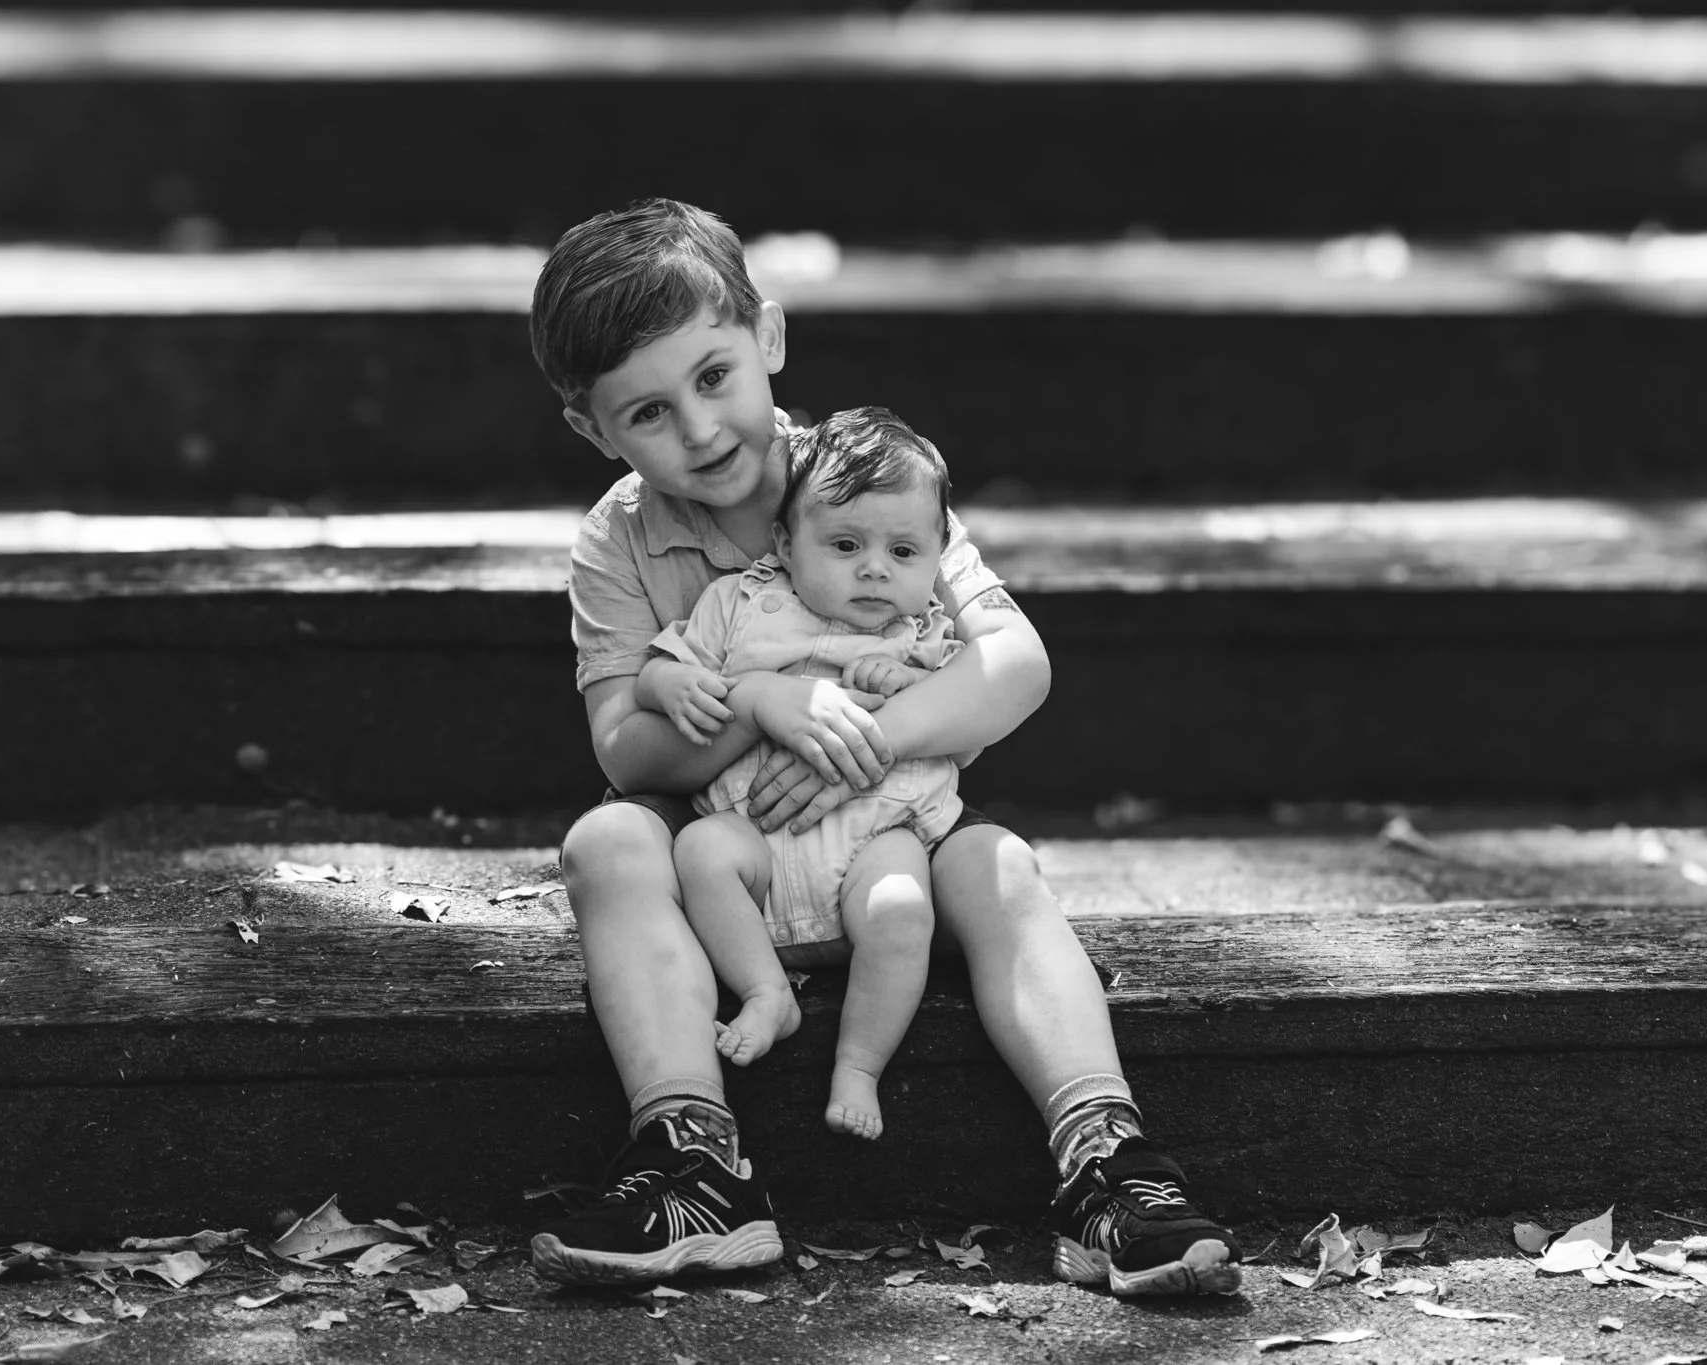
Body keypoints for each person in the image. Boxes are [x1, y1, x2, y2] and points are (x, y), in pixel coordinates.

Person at [525, 198, 1242, 1297]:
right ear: (593, 430)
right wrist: (760, 700)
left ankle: (1104, 1165)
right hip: (732, 864)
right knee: (607, 841)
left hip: (890, 853)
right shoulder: (615, 541)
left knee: (995, 863)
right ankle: (692, 1164)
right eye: (649, 413)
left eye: (713, 377)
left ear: (765, 337)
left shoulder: (864, 478)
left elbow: (1014, 665)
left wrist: (862, 742)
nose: (701, 430)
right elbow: (624, 748)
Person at [640, 406, 965, 1143]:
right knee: (701, 850)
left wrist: (906, 687)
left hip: (873, 840)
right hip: (756, 836)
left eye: (905, 552)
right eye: (846, 544)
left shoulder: (929, 640)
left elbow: (964, 731)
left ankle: (858, 1064)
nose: (876, 568)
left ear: (939, 556)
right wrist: (671, 686)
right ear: (787, 544)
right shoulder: (739, 602)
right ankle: (765, 988)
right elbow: (661, 666)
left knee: (903, 905)